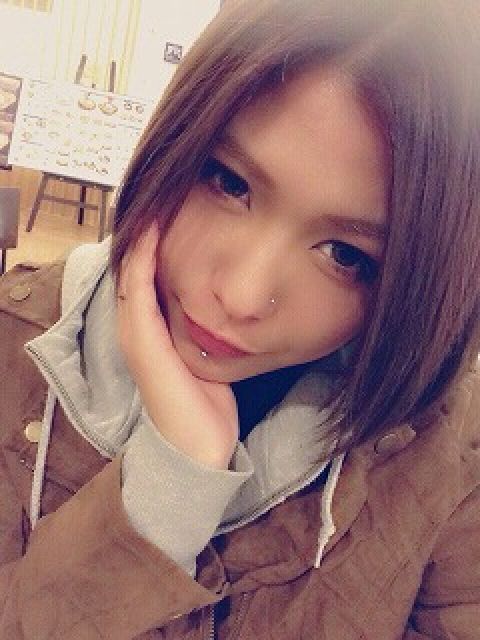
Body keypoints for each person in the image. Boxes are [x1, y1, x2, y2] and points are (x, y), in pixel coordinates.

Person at [0, 0, 479, 637]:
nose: (241, 295)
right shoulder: (13, 343)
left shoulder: (446, 459)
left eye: (344, 254)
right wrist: (166, 489)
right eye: (228, 182)